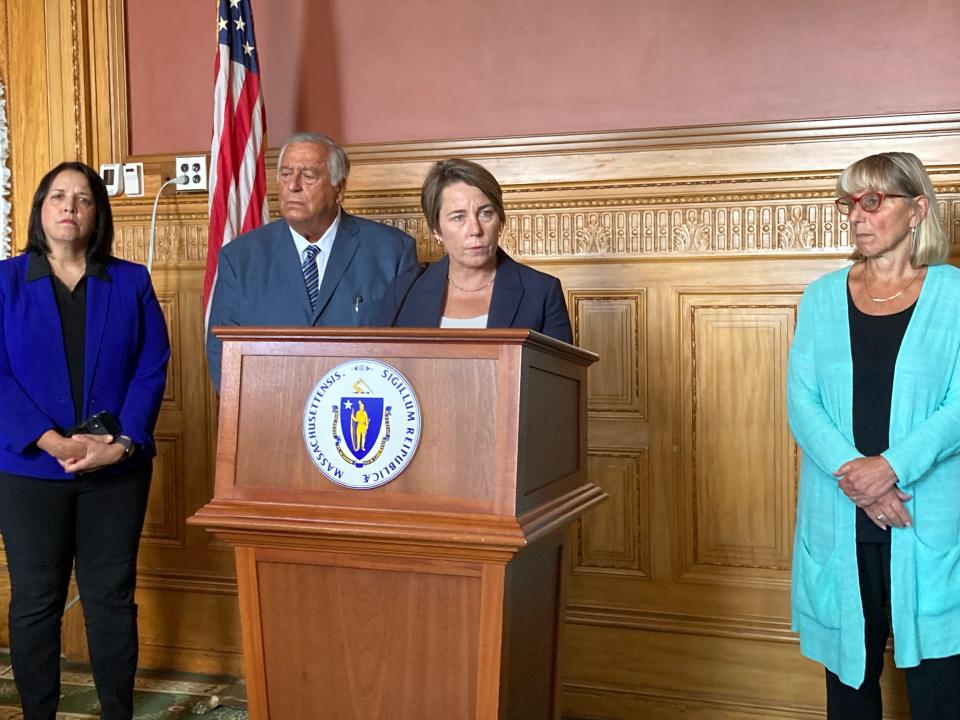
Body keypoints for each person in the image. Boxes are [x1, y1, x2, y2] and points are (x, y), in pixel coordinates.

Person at [787, 151, 960, 719]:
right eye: (848, 203)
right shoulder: (820, 296)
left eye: (873, 201)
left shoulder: (954, 295)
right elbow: (802, 402)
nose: (857, 217)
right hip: (841, 516)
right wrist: (860, 479)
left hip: (926, 516)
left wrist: (890, 469)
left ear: (917, 211)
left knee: (940, 687)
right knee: (850, 687)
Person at [0, 161, 170, 719]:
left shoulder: (132, 281)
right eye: (58, 196)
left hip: (116, 470)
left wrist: (121, 443)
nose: (70, 206)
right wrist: (48, 440)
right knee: (36, 602)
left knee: (110, 600)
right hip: (29, 470)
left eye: (83, 198)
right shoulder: (4, 283)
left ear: (98, 213)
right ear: (40, 211)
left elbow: (151, 367)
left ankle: (117, 711)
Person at [205, 132, 418, 390]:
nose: (293, 185)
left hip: (357, 413)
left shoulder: (392, 251)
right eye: (285, 174)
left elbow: (410, 350)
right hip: (270, 414)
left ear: (339, 188)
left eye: (308, 176)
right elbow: (222, 353)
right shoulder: (240, 258)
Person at [378, 158, 572, 342]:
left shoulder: (541, 292)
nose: (475, 230)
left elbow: (559, 375)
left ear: (500, 220)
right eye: (458, 217)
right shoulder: (403, 291)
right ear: (436, 230)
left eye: (485, 213)